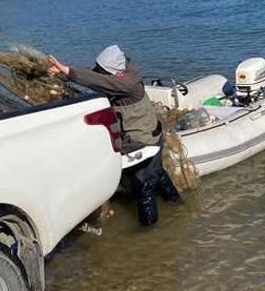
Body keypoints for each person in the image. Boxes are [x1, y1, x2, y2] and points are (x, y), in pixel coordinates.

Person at [48, 45, 182, 227]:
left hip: (144, 139)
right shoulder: (124, 69)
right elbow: (96, 75)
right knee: (156, 172)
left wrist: (68, 71)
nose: (99, 72)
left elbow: (100, 81)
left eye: (103, 70)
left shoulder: (127, 84)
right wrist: (65, 70)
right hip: (150, 132)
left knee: (144, 184)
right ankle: (177, 204)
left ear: (114, 72)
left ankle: (149, 231)